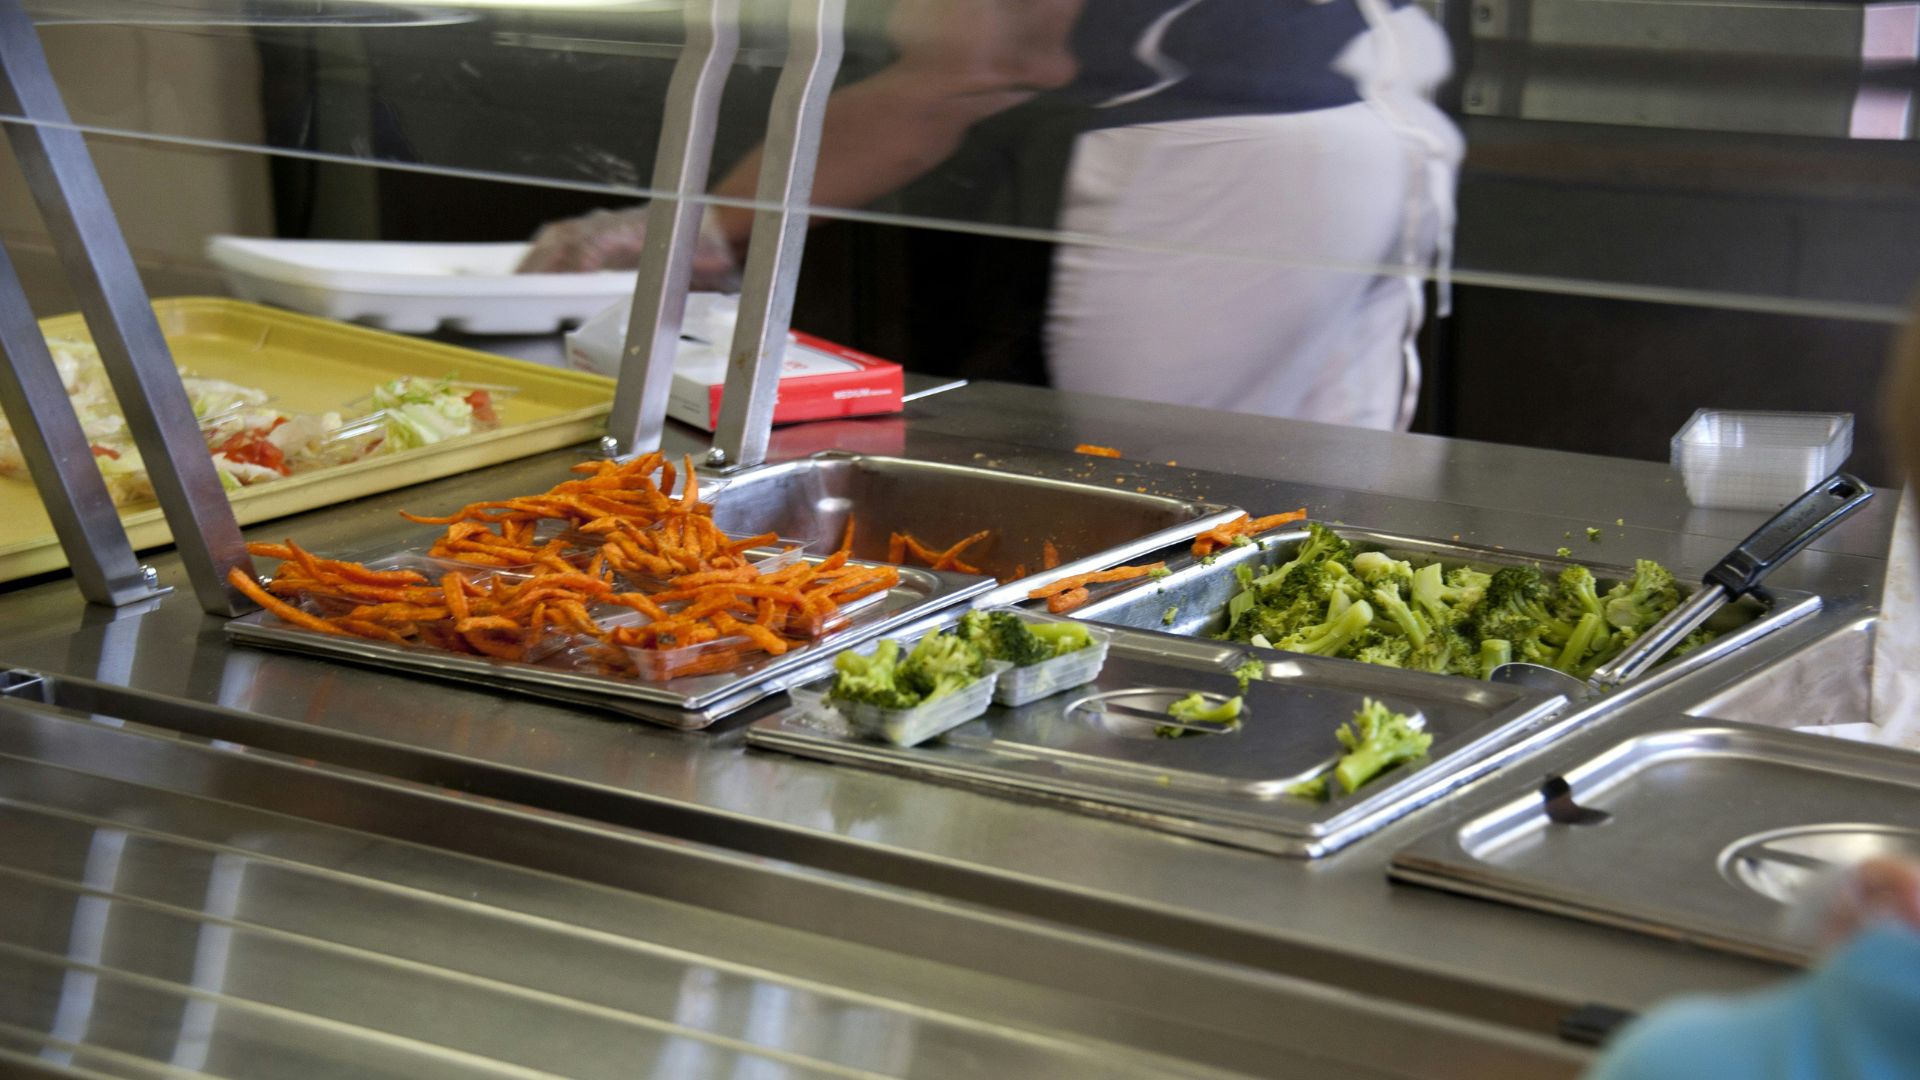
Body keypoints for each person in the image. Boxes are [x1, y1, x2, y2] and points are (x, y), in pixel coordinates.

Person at [519, 0, 1461, 431]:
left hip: (1239, 168)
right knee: (1321, 475)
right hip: (1386, 120)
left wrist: (702, 230)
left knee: (1161, 482)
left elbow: (981, 59)